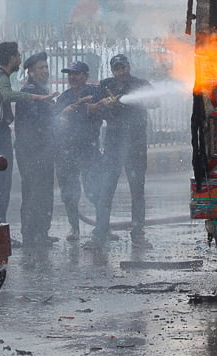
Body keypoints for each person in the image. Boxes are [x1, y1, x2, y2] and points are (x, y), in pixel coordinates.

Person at [87, 54, 159, 249]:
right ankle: (99, 234)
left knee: (137, 190)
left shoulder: (140, 84)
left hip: (135, 144)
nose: (121, 72)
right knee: (106, 189)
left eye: (123, 67)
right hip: (113, 144)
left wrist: (134, 101)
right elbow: (91, 108)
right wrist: (104, 104)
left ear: (129, 67)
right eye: (117, 68)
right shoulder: (105, 85)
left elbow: (155, 102)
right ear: (112, 70)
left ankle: (138, 235)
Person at [0, 41, 55, 247]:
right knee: (2, 183)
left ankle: (11, 230)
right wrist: (37, 98)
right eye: (17, 55)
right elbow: (8, 97)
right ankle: (1, 230)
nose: (19, 58)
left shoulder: (1, 77)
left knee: (4, 183)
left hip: (1, 133)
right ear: (11, 58)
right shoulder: (1, 78)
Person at [54, 61, 106, 242]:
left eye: (76, 74)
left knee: (95, 190)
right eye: (70, 74)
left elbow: (104, 109)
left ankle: (102, 228)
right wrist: (82, 109)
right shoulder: (64, 97)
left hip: (89, 149)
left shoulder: (95, 92)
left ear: (85, 76)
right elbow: (57, 117)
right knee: (69, 193)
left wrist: (92, 108)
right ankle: (74, 229)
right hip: (67, 151)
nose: (72, 77)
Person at [14, 51, 58, 248]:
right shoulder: (31, 92)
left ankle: (41, 232)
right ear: (30, 71)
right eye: (41, 67)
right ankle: (31, 234)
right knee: (33, 192)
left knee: (45, 191)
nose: (45, 71)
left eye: (46, 67)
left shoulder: (41, 90)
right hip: (31, 152)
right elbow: (33, 123)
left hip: (44, 150)